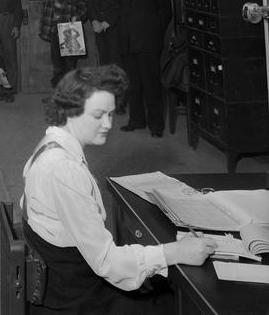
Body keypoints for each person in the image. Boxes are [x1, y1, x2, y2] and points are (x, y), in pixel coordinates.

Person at [21, 65, 217, 314]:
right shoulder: (64, 170)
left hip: (62, 278)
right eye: (98, 115)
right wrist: (175, 252)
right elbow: (107, 263)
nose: (107, 124)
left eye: (111, 115)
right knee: (175, 303)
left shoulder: (50, 144)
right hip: (75, 297)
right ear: (70, 112)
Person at [118, 0, 172, 138]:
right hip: (128, 43)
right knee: (132, 84)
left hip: (149, 43)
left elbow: (166, 12)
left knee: (151, 84)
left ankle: (156, 125)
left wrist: (154, 34)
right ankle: (137, 121)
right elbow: (118, 10)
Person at [39, 0, 87, 88]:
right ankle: (58, 93)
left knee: (70, 65)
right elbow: (44, 14)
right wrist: (45, 30)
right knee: (57, 66)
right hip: (55, 34)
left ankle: (70, 95)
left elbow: (84, 10)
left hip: (70, 34)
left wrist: (77, 16)